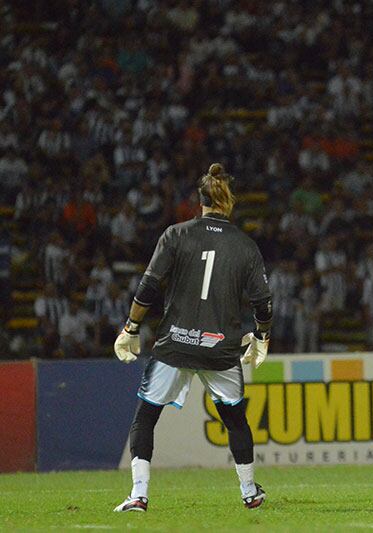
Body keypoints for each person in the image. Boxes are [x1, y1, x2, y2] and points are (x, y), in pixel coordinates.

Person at [112, 164, 272, 512]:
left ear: (200, 201)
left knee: (146, 416)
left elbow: (148, 287)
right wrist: (262, 337)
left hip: (176, 344)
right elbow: (263, 301)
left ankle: (139, 494)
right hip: (221, 348)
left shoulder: (176, 234)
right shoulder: (245, 246)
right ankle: (249, 492)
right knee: (235, 419)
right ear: (229, 202)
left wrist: (130, 328)